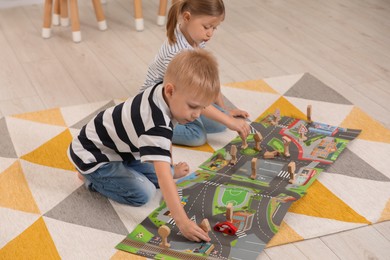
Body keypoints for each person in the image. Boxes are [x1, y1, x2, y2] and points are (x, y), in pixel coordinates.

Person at [68, 49, 240, 242]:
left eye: (202, 107)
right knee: (145, 193)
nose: (197, 115)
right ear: (170, 90)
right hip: (93, 155)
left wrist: (170, 168)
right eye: (193, 106)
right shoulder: (156, 124)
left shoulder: (166, 93)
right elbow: (163, 173)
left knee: (161, 177)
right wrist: (182, 222)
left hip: (122, 150)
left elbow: (165, 146)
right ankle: (90, 178)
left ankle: (117, 171)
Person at [140, 0, 251, 147]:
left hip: (181, 96)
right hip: (157, 105)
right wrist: (228, 120)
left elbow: (209, 77)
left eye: (214, 28)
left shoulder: (196, 39)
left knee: (220, 125)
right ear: (187, 17)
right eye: (206, 27)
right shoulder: (175, 52)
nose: (210, 33)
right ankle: (147, 128)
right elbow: (190, 93)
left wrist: (224, 111)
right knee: (197, 136)